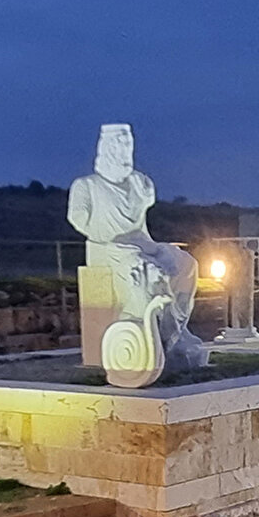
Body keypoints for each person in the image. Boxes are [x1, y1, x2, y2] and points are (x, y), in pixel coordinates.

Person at [67, 125, 205, 370]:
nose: (123, 151)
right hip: (110, 248)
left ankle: (174, 332)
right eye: (117, 145)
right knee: (148, 271)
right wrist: (113, 235)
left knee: (186, 264)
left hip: (142, 243)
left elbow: (142, 224)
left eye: (127, 145)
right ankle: (145, 335)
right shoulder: (86, 186)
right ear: (105, 148)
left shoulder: (141, 183)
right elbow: (79, 220)